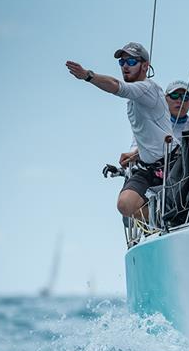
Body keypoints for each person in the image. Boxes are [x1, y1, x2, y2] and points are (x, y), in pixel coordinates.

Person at [65, 42, 174, 220]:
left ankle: (170, 218)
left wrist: (88, 76)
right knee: (125, 205)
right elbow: (152, 134)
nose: (125, 66)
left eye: (131, 62)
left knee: (179, 199)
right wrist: (135, 154)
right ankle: (160, 221)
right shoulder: (134, 99)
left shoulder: (148, 89)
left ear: (145, 66)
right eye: (122, 62)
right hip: (146, 165)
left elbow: (116, 85)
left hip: (171, 161)